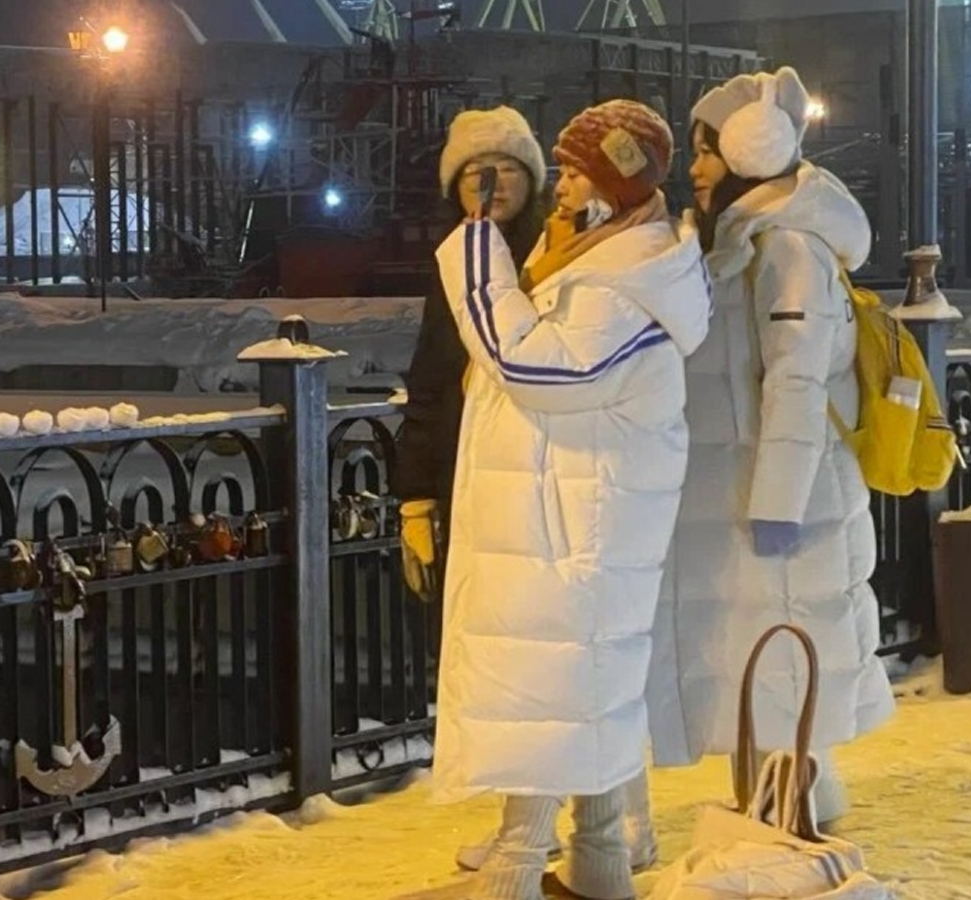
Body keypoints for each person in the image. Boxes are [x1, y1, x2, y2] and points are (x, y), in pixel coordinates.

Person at [427, 100, 710, 900]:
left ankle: (514, 873)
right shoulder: (599, 260)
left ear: (616, 185)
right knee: (583, 697)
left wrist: (480, 255)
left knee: (553, 699)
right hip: (573, 517)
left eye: (579, 172)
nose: (563, 186)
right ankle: (599, 864)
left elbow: (536, 367)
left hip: (577, 527)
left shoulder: (626, 284)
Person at [644, 66, 895, 827]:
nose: (694, 167)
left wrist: (777, 505)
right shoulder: (748, 238)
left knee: (778, 664)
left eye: (707, 150)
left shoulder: (787, 247)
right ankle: (787, 814)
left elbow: (797, 382)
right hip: (748, 490)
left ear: (751, 150)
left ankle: (787, 828)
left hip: (780, 501)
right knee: (759, 670)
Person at [395, 106, 546, 604]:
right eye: (475, 171)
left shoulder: (554, 258)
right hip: (460, 469)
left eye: (507, 168)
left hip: (536, 474)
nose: (491, 184)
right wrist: (416, 496)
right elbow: (429, 379)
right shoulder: (452, 262)